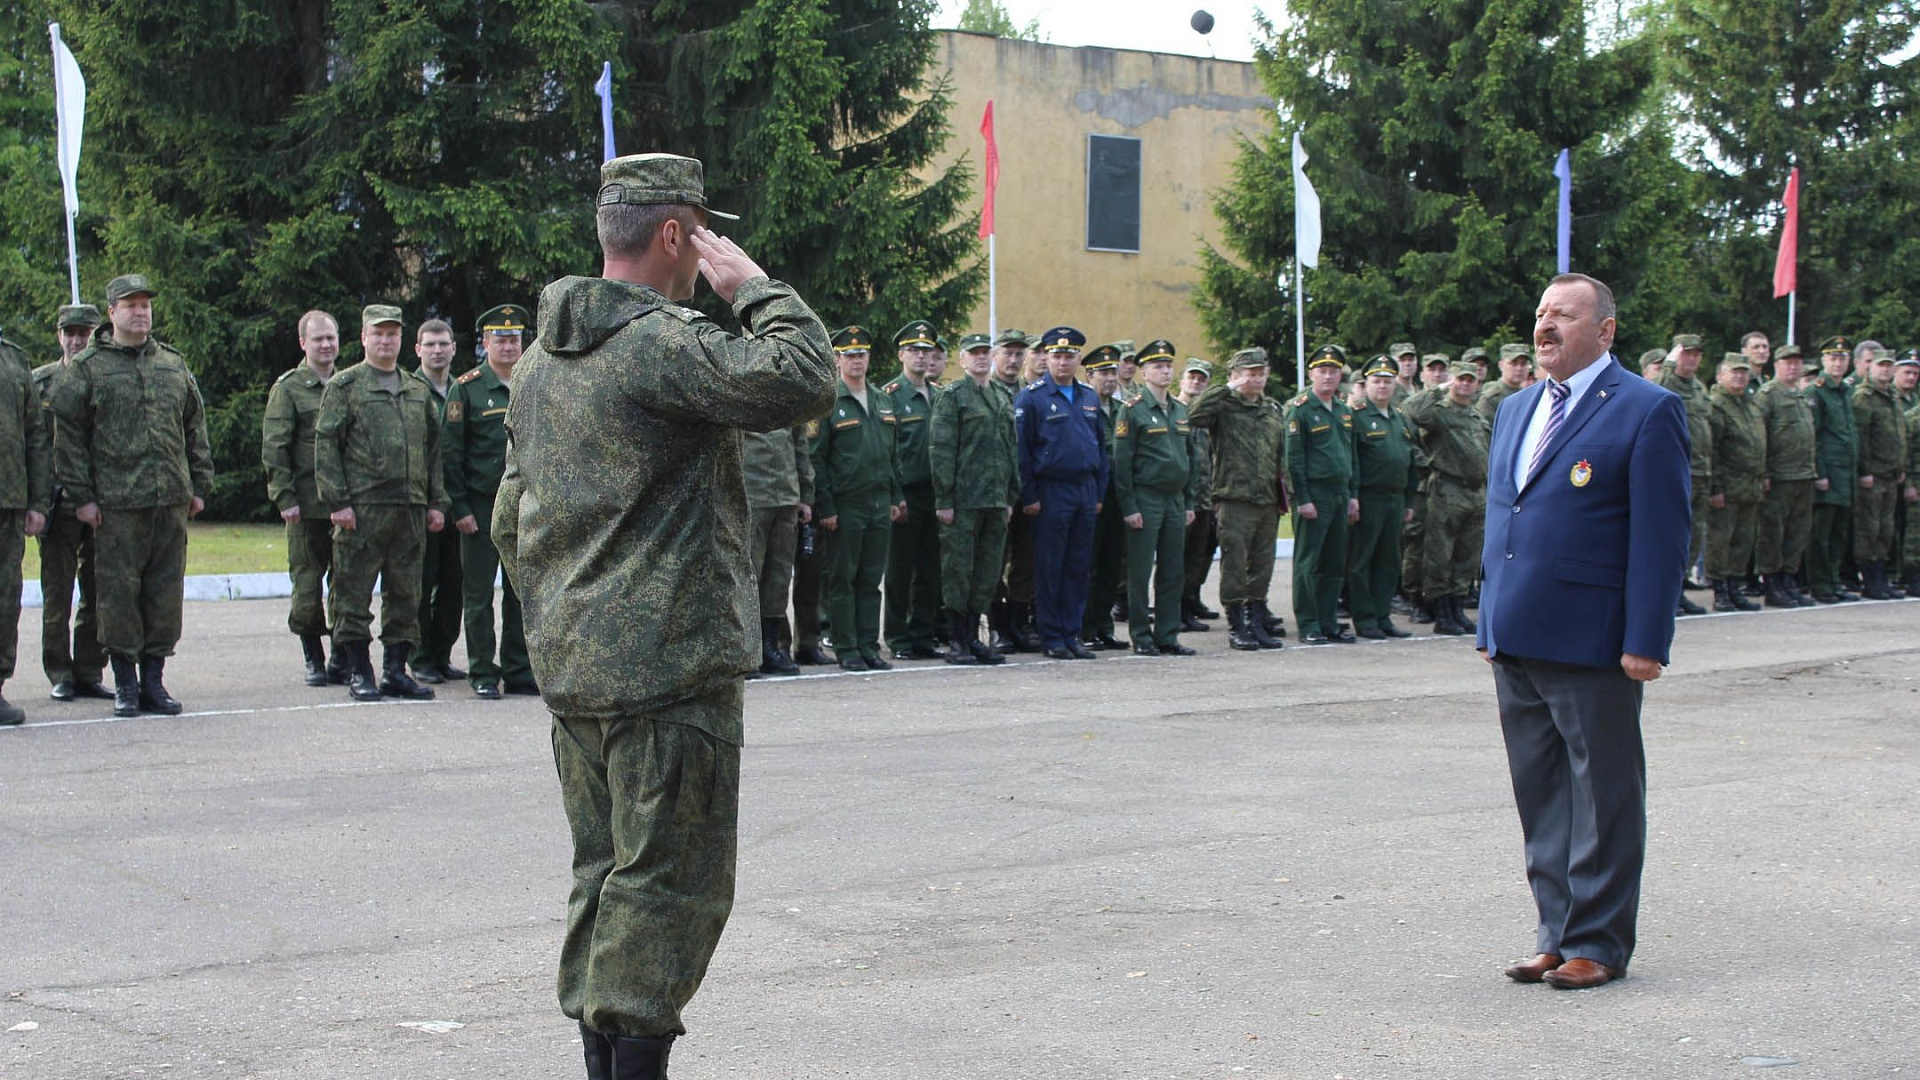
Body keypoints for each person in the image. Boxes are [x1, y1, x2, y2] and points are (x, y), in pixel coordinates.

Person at [490, 152, 834, 1079]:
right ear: (676, 234)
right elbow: (803, 380)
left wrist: (565, 609)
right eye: (704, 233)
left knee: (607, 878)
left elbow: (506, 516)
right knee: (671, 889)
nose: (710, 252)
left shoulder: (538, 364)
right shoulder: (657, 343)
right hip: (668, 672)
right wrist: (755, 288)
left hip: (576, 671)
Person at [1480, 273, 1691, 991]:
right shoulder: (1514, 409)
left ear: (1605, 331)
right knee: (1541, 794)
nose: (1545, 326)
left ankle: (1597, 942)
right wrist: (1489, 618)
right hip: (1517, 634)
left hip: (1594, 637)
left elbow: (1662, 537)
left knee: (1602, 795)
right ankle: (1554, 931)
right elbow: (1502, 521)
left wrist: (1646, 640)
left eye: (1564, 315)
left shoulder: (1647, 408)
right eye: (1540, 312)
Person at [52, 274, 214, 718]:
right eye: (130, 305)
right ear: (111, 313)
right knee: (117, 595)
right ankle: (124, 682)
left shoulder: (172, 364)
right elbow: (67, 435)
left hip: (169, 501)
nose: (140, 312)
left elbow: (194, 426)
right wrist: (81, 496)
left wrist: (199, 484)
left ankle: (154, 682)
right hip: (117, 505)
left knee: (164, 593)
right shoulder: (89, 368)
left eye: (145, 305)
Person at [313, 305, 448, 701]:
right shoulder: (346, 386)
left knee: (406, 594)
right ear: (364, 338)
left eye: (392, 333)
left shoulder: (415, 390)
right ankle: (359, 670)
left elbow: (434, 450)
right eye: (379, 333)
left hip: (409, 508)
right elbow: (326, 445)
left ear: (402, 339)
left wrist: (437, 502)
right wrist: (337, 501)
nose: (386, 340)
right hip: (362, 509)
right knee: (353, 594)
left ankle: (396, 670)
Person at [445, 303, 535, 697]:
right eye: (500, 338)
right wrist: (459, 508)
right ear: (485, 342)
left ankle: (518, 669)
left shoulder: (534, 381)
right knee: (479, 595)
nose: (508, 346)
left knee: (520, 594)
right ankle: (483, 670)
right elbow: (451, 454)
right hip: (481, 507)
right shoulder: (467, 388)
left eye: (514, 338)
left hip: (525, 506)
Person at [811, 325, 903, 671]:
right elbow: (817, 458)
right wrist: (827, 506)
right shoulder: (828, 400)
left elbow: (893, 454)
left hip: (880, 502)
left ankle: (868, 645)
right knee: (842, 579)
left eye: (861, 354)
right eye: (849, 355)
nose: (856, 361)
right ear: (837, 359)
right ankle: (846, 646)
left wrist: (896, 496)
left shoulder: (882, 399)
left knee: (870, 579)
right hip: (846, 505)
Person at [33, 304, 113, 703]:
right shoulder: (41, 383)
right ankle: (59, 671)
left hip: (102, 501)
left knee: (98, 591)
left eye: (85, 332)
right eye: (71, 333)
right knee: (57, 592)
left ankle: (88, 669)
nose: (78, 340)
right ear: (59, 335)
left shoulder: (105, 378)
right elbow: (33, 444)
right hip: (58, 503)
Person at [262, 310, 345, 687]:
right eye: (318, 339)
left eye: (331, 337)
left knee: (347, 586)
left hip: (346, 504)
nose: (326, 345)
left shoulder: (348, 383)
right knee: (309, 587)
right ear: (303, 344)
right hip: (306, 505)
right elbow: (275, 447)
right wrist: (284, 497)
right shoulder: (289, 388)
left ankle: (343, 657)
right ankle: (313, 656)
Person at [1013, 326, 1107, 660]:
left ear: (1079, 359)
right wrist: (1030, 496)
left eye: (1069, 356)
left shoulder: (1088, 397)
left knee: (1078, 566)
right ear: (1046, 358)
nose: (1062, 362)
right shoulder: (1033, 397)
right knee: (1050, 567)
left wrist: (1098, 493)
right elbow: (1022, 453)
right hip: (1051, 491)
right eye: (1056, 356)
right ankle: (1051, 635)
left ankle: (1072, 633)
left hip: (1083, 490)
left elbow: (1101, 449)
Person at [1190, 347, 1288, 650]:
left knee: (1262, 565)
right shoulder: (1223, 407)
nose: (1256, 380)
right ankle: (1236, 625)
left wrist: (1285, 494)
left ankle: (1256, 619)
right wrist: (1226, 388)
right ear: (1234, 376)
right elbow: (1193, 414)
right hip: (1235, 499)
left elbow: (1280, 455)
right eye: (1249, 374)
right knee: (1235, 564)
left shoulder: (1272, 409)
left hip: (1267, 500)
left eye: (1261, 374)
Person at [929, 331, 1016, 665]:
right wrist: (945, 499)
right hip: (963, 500)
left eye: (985, 353)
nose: (980, 358)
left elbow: (1011, 448)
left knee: (987, 571)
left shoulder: (1000, 395)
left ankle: (974, 636)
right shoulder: (953, 395)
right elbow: (941, 449)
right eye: (973, 353)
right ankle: (957, 639)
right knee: (958, 570)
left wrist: (1010, 495)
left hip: (994, 499)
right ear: (962, 360)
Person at [1112, 339, 1201, 656]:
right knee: (1139, 572)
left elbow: (1190, 459)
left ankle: (1168, 633)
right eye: (1157, 366)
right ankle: (1141, 634)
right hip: (1146, 498)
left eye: (1167, 366)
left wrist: (1190, 501)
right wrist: (1129, 506)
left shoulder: (1179, 409)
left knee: (1173, 570)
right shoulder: (1132, 409)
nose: (1164, 371)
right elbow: (1122, 462)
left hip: (1175, 499)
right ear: (1144, 372)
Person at [1404, 360, 1490, 635]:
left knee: (1468, 554)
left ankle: (1456, 606)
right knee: (1440, 553)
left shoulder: (1476, 416)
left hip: (1475, 491)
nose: (1465, 384)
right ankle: (1440, 610)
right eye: (1460, 379)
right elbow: (1411, 410)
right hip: (1447, 489)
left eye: (1470, 380)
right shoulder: (1439, 412)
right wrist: (1438, 388)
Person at [1284, 346, 1359, 644]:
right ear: (1311, 373)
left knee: (1333, 561)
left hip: (1340, 493)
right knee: (1308, 562)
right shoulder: (1301, 409)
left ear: (1340, 374)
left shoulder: (1343, 410)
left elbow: (1350, 456)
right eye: (1322, 370)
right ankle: (1308, 623)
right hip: (1314, 493)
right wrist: (1302, 498)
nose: (1328, 376)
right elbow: (1294, 459)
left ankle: (1328, 621)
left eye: (1333, 371)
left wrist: (1353, 494)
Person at [880, 321, 944, 659]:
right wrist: (894, 496)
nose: (921, 356)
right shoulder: (889, 396)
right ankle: (898, 638)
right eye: (914, 350)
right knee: (900, 572)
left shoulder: (939, 396)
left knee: (931, 570)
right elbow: (886, 453)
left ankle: (923, 633)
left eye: (927, 351)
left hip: (936, 495)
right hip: (905, 494)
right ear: (902, 354)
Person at [409, 319, 467, 684]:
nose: (437, 350)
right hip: (423, 502)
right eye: (429, 344)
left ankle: (443, 654)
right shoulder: (410, 390)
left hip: (457, 503)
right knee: (420, 582)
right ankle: (420, 657)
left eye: (443, 344)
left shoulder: (464, 389)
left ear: (454, 348)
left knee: (453, 584)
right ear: (417, 349)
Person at [1347, 355, 1420, 640]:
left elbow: (1409, 461)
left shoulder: (1400, 418)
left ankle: (1382, 615)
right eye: (1377, 381)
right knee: (1362, 561)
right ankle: (1365, 619)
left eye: (1387, 382)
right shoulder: (1356, 416)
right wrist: (1353, 496)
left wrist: (1410, 500)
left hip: (1395, 498)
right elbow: (1351, 461)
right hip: (1369, 497)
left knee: (1389, 561)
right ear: (1366, 385)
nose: (1382, 387)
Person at [0, 320, 50, 724]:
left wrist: (37, 501)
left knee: (4, 595)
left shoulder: (15, 361)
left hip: (8, 500)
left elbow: (35, 436)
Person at [742, 418, 813, 676]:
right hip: (751, 496)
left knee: (779, 578)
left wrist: (806, 496)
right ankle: (746, 653)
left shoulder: (787, 398)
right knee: (749, 577)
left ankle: (771, 648)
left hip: (786, 497)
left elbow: (800, 447)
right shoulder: (741, 392)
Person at [1754, 343, 1817, 607]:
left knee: (1797, 532)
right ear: (1777, 365)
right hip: (1779, 477)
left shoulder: (1801, 396)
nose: (1793, 367)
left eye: (1797, 363)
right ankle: (1772, 583)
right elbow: (1760, 436)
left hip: (1803, 475)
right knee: (1773, 533)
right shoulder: (1768, 395)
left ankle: (1788, 580)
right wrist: (1765, 472)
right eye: (1787, 362)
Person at [1656, 334, 1713, 612]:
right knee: (1671, 536)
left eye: (1696, 354)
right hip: (1675, 472)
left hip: (1701, 471)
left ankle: (1678, 591)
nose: (1691, 359)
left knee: (1693, 536)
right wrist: (1668, 364)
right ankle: (1665, 594)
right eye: (1686, 353)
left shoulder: (1700, 389)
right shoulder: (1666, 384)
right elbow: (1654, 390)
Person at [1706, 352, 1766, 611]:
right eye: (1734, 371)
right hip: (1727, 486)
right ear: (1721, 375)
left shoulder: (1749, 403)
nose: (1740, 376)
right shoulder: (1717, 404)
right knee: (1721, 540)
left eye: (1744, 372)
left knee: (1743, 540)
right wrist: (1716, 488)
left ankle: (1735, 586)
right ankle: (1720, 590)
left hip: (1749, 485)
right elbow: (1713, 450)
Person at [1079, 345, 1130, 651]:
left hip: (1118, 495)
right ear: (1090, 375)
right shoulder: (1084, 406)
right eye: (1103, 373)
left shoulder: (1124, 409)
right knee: (1089, 563)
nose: (1110, 379)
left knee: (1113, 563)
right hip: (1092, 494)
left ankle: (1104, 626)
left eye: (1113, 372)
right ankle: (1085, 627)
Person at [1850, 346, 1908, 599]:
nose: (1884, 370)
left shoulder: (1893, 396)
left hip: (1891, 473)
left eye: (1888, 365)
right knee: (1869, 528)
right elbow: (1860, 437)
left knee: (1886, 527)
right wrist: (1864, 469)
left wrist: (1900, 466)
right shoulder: (1864, 397)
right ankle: (1870, 579)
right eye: (1879, 365)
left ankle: (1882, 577)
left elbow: (1898, 434)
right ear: (1870, 368)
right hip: (1873, 473)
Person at [1808, 336, 1860, 603]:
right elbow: (1814, 436)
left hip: (1846, 474)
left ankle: (1834, 579)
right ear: (1823, 360)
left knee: (1840, 531)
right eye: (1833, 357)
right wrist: (1820, 473)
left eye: (1842, 358)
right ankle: (1820, 583)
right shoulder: (1816, 391)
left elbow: (1850, 434)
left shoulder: (1846, 391)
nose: (1838, 363)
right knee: (1821, 533)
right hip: (1828, 473)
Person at [1175, 358, 1219, 631]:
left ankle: (1190, 601)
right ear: (1181, 380)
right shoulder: (1174, 410)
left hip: (1206, 496)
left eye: (1202, 379)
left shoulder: (1209, 418)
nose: (1196, 382)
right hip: (1182, 496)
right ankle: (1175, 608)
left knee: (1199, 554)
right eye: (1191, 377)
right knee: (1176, 556)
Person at [1478, 344, 1532, 424]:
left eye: (1523, 364)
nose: (1519, 368)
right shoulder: (1491, 398)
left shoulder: (1530, 396)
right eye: (1513, 363)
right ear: (1501, 365)